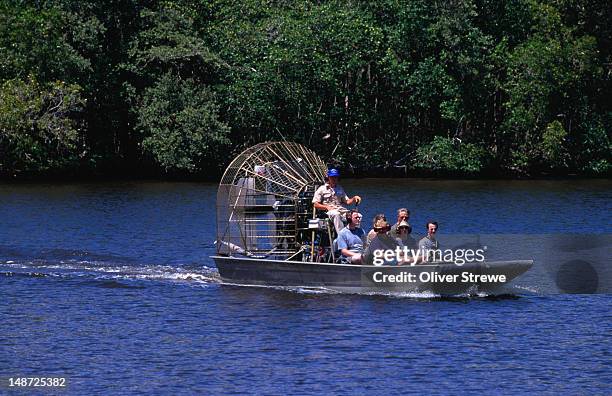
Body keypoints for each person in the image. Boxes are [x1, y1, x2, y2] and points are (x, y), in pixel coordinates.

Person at [312, 168, 361, 233]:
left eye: (335, 177)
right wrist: (327, 207)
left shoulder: (340, 188)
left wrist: (354, 198)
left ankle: (355, 234)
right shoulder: (322, 189)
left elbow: (347, 201)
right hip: (329, 212)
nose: (334, 179)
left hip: (342, 210)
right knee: (336, 214)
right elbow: (315, 204)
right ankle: (342, 236)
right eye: (332, 177)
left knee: (358, 215)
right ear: (328, 178)